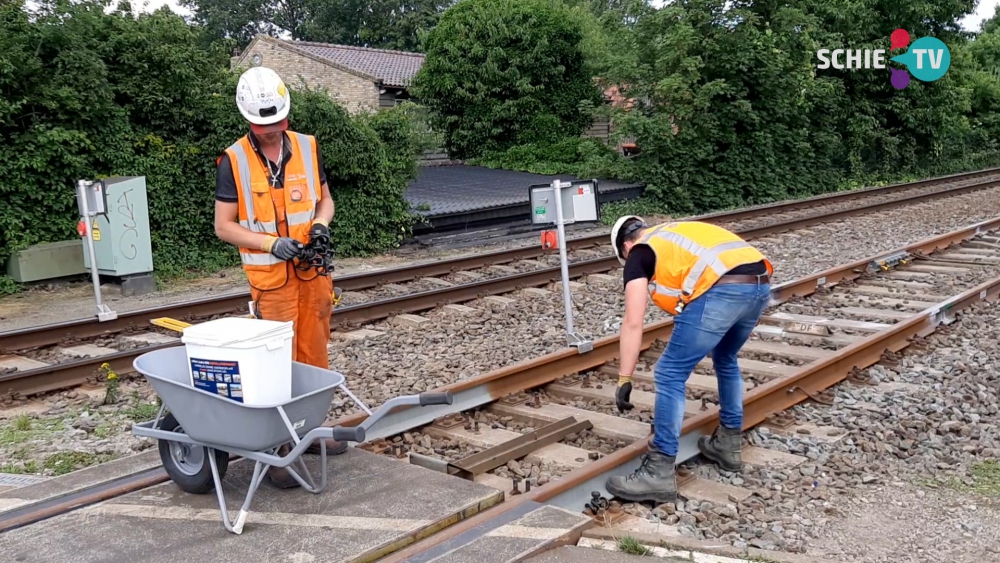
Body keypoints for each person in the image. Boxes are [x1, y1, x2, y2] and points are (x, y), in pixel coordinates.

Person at [214, 66, 346, 488]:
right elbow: (223, 225)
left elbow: (324, 200)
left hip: (313, 276)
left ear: (287, 114)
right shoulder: (233, 160)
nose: (272, 131)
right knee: (278, 365)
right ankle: (280, 448)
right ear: (247, 119)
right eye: (262, 124)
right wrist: (270, 244)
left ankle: (312, 433)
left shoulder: (308, 147)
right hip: (271, 283)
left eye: (278, 122)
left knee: (315, 355)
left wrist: (322, 225)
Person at [604, 216, 773, 503]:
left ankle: (658, 471)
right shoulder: (674, 232)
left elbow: (633, 322)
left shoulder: (640, 251)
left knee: (670, 372)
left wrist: (625, 377)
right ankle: (728, 444)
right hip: (759, 284)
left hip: (723, 289)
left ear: (625, 246)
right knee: (726, 357)